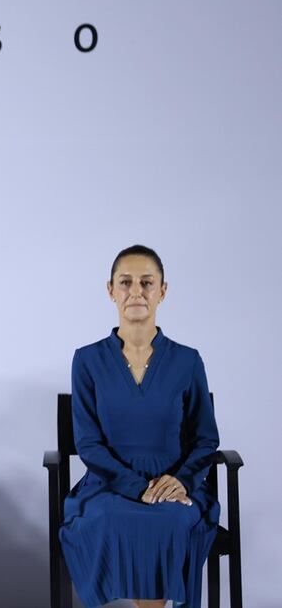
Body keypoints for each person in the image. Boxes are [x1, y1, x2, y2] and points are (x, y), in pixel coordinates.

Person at [60, 245, 220, 608]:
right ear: (111, 290)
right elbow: (88, 443)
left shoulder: (187, 360)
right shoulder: (87, 360)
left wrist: (182, 481)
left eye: (147, 283)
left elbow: (205, 438)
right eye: (126, 282)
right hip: (107, 485)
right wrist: (137, 488)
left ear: (162, 291)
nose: (136, 292)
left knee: (171, 521)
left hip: (173, 483)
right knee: (109, 519)